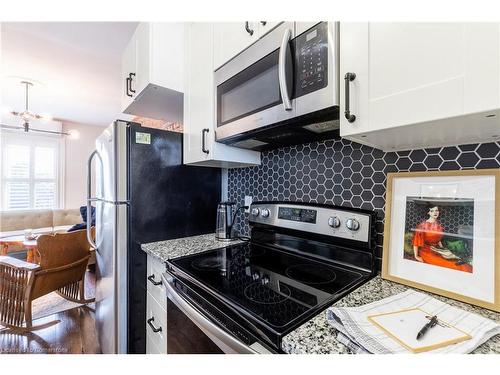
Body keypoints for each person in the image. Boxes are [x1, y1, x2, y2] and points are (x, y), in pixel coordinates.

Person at [412, 204, 472, 273]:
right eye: (432, 211)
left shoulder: (438, 224)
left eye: (436, 210)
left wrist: (443, 249)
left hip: (438, 250)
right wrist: (416, 256)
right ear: (428, 213)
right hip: (427, 251)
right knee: (453, 266)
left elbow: (438, 240)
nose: (435, 212)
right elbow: (416, 242)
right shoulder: (422, 226)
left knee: (460, 262)